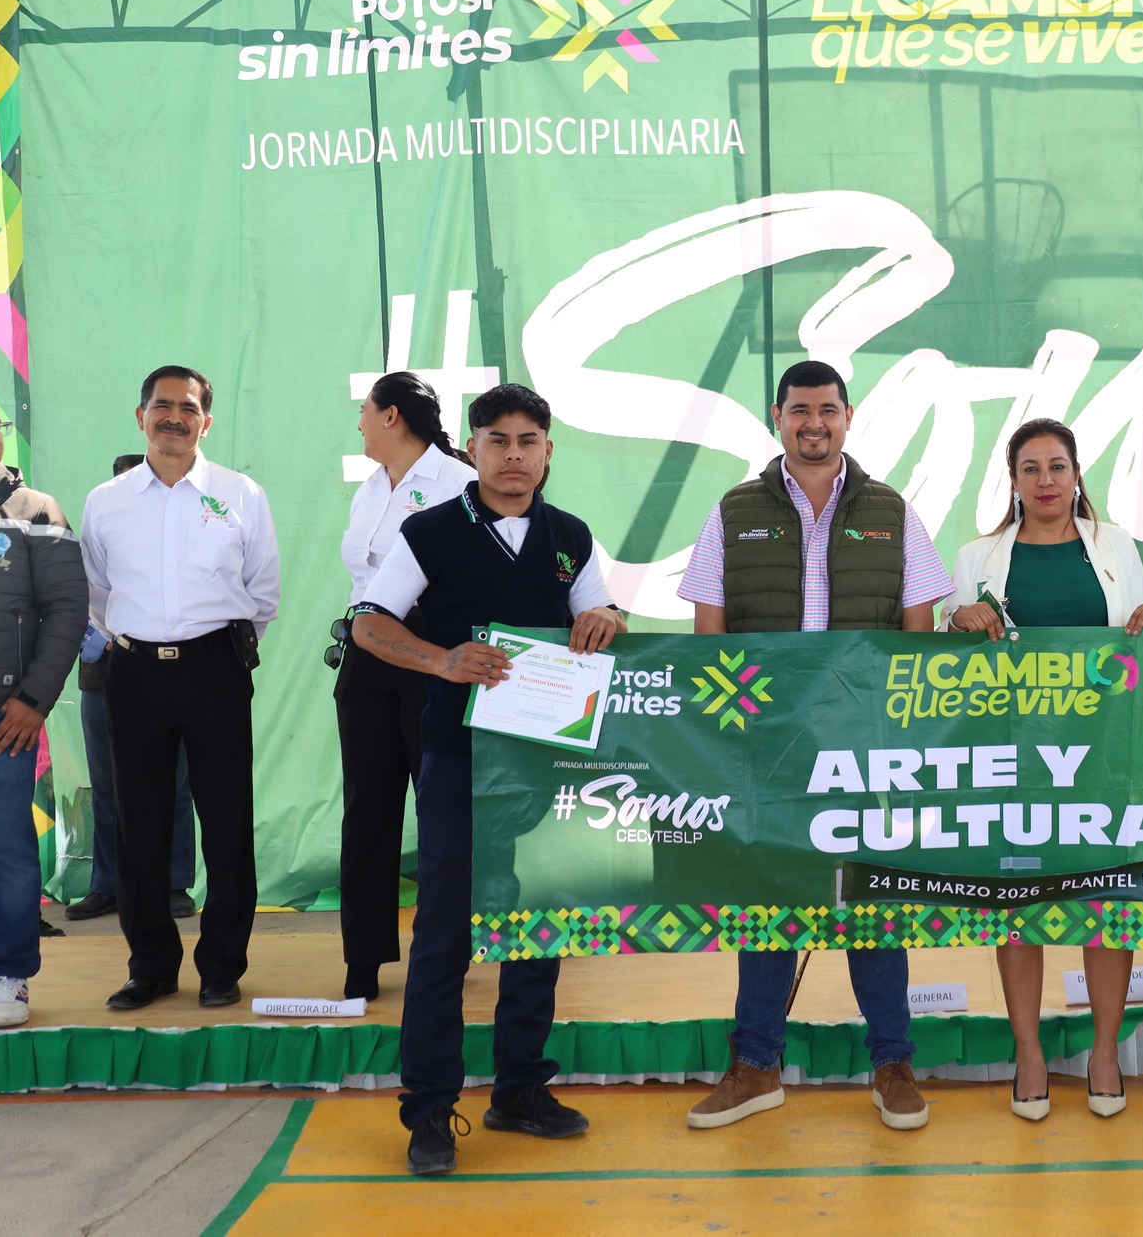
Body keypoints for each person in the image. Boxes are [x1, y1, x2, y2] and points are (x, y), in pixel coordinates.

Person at [350, 382, 625, 1175]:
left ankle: (520, 1088)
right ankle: (429, 1110)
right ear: (471, 448)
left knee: (538, 924)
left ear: (548, 451)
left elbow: (604, 615)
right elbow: (367, 623)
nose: (513, 455)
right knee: (445, 936)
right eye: (497, 440)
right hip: (459, 759)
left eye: (528, 440)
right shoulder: (429, 531)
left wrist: (607, 619)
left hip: (546, 762)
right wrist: (441, 659)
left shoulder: (570, 535)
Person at [677, 360, 951, 1133]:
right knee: (766, 904)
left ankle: (893, 1064)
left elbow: (916, 641)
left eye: (827, 409)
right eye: (800, 410)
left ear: (848, 416)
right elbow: (709, 640)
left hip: (865, 749)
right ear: (778, 416)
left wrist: (887, 734)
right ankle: (755, 1066)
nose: (814, 423)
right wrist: (737, 737)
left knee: (873, 904)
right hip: (767, 750)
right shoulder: (733, 510)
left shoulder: (893, 511)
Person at [947, 418, 1143, 1122]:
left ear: (1077, 475)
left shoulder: (1116, 546)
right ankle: (1030, 1055)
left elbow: (1140, 638)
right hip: (1012, 757)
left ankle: (1104, 1052)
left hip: (1103, 752)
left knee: (1108, 901)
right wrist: (959, 619)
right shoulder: (976, 556)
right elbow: (948, 647)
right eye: (1031, 468)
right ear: (1013, 481)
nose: (1046, 480)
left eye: (1058, 466)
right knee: (1020, 905)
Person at [82, 366, 281, 1012]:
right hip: (134, 673)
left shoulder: (241, 493)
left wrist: (210, 648)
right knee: (138, 823)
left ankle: (222, 965)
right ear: (140, 415)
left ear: (206, 422)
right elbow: (96, 593)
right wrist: (139, 642)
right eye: (162, 406)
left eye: (188, 408)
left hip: (214, 670)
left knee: (227, 822)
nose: (174, 417)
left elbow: (262, 591)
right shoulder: (106, 500)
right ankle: (151, 966)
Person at [0, 381, 87, 1028]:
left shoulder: (34, 510)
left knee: (6, 854)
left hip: (0, 721)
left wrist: (34, 699)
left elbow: (68, 610)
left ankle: (8, 977)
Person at [334, 373, 474, 1001]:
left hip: (432, 654)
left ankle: (446, 953)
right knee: (367, 807)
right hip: (367, 652)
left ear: (391, 416)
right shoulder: (369, 489)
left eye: (365, 411)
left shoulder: (460, 482)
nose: (359, 423)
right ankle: (362, 961)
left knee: (442, 809)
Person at [67, 454, 198, 924]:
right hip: (101, 679)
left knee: (174, 783)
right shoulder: (96, 534)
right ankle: (109, 885)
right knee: (107, 786)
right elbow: (77, 599)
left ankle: (174, 884)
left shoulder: (181, 544)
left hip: (167, 676)